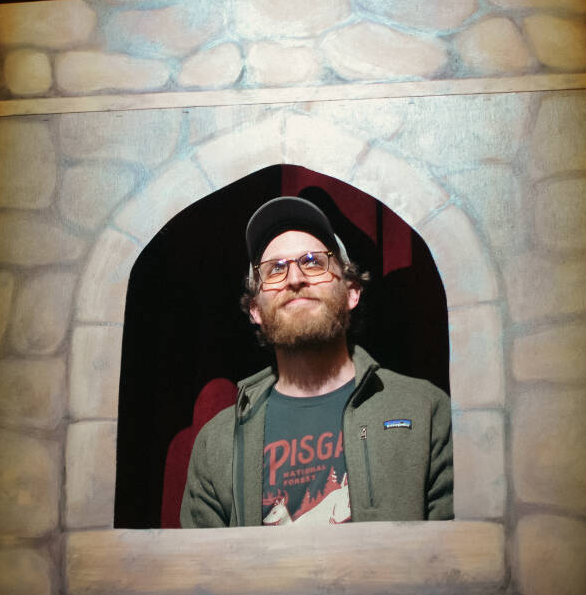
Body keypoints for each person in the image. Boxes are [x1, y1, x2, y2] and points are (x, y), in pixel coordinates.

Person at [180, 195, 454, 527]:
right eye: (276, 269)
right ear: (255, 310)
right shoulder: (217, 443)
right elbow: (204, 572)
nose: (295, 279)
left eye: (313, 262)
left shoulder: (425, 410)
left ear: (352, 291)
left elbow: (457, 561)